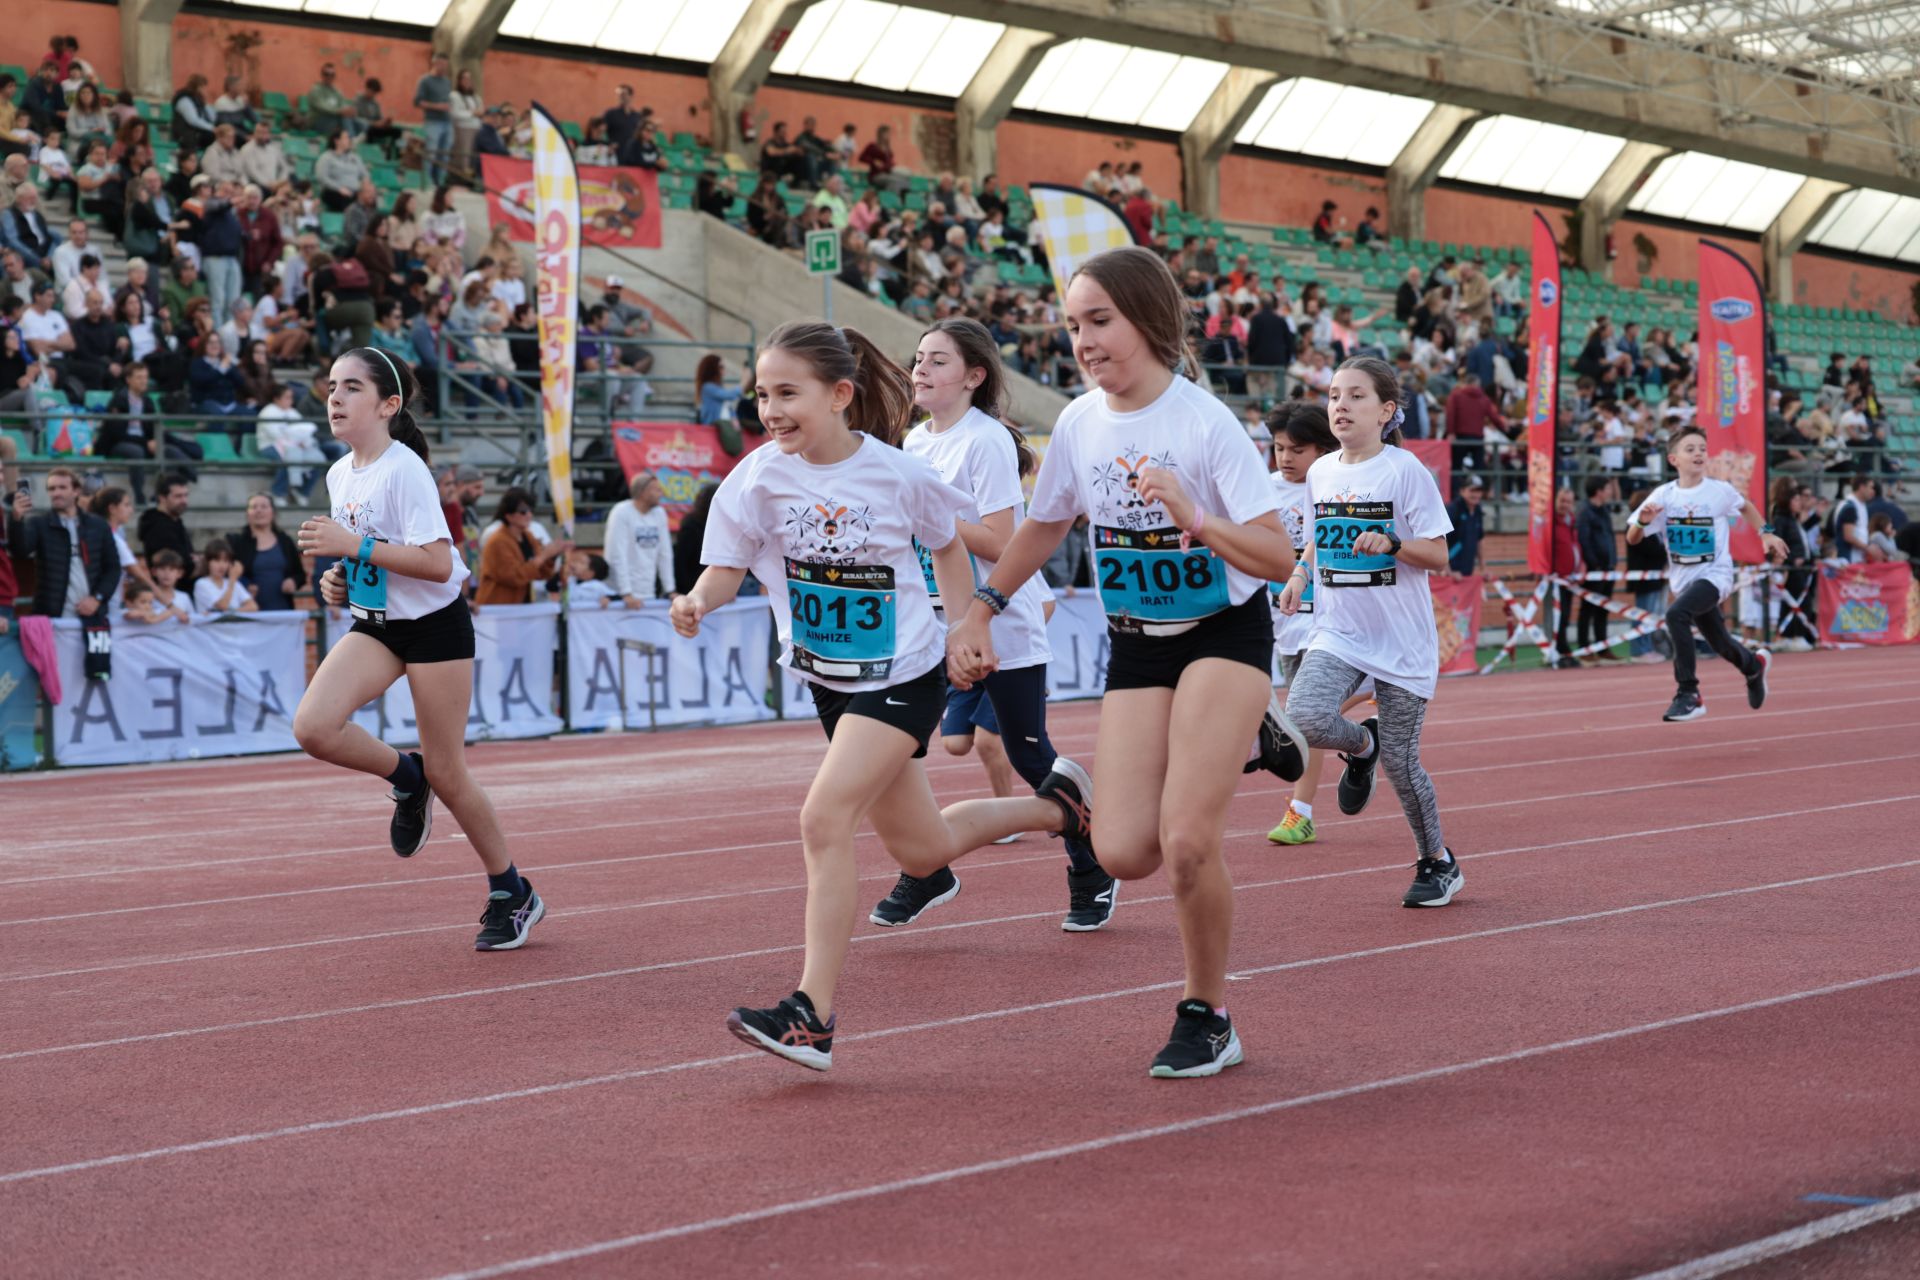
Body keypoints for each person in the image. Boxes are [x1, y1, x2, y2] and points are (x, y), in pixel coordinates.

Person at [672, 320, 1094, 1073]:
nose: (770, 409)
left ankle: (812, 1014)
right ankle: (1061, 808)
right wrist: (698, 600)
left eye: (787, 393)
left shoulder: (897, 474)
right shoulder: (757, 477)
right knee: (923, 847)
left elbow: (948, 543)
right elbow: (727, 564)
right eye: (762, 393)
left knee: (823, 817)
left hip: (904, 676)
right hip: (828, 683)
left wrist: (969, 623)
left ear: (839, 396)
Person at [947, 246, 1298, 1078]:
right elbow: (1042, 525)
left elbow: (1280, 559)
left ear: (1148, 320)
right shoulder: (1076, 423)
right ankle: (1255, 732)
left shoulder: (1203, 423)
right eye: (1073, 325)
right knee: (1123, 852)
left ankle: (1206, 1013)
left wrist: (1197, 519)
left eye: (1099, 320)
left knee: (1184, 844)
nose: (1084, 340)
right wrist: (982, 608)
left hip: (1223, 635)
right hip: (1138, 643)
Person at [292, 347, 543, 950]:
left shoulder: (404, 470)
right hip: (378, 625)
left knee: (451, 772)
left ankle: (513, 891)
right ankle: (407, 778)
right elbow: (367, 560)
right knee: (314, 727)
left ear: (388, 404)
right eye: (331, 386)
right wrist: (339, 579)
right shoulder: (339, 472)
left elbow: (437, 565)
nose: (335, 397)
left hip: (434, 628)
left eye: (351, 387)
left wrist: (353, 547)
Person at [892, 317, 1113, 925]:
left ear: (974, 376)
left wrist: (927, 514)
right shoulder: (914, 442)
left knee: (1030, 755)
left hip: (1000, 619)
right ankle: (926, 870)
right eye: (918, 358)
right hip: (935, 624)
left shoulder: (984, 440)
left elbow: (1000, 539)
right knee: (897, 748)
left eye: (937, 360)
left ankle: (1090, 867)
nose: (921, 369)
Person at [1273, 356, 1462, 907]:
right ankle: (1362, 744)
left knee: (1404, 763)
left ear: (1385, 410)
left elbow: (1441, 555)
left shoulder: (1404, 471)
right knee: (1304, 716)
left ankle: (1438, 861)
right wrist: (1299, 575)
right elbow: (1315, 535)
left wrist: (1393, 544)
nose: (1340, 406)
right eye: (1334, 396)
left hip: (1400, 638)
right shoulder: (1322, 471)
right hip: (1339, 630)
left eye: (1355, 396)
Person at [1625, 425, 1788, 723]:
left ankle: (1689, 693)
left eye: (1702, 447)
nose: (1699, 453)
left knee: (1675, 615)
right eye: (1690, 449)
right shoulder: (1663, 496)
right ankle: (1753, 666)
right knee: (1719, 642)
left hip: (1716, 575)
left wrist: (1766, 534)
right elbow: (1632, 539)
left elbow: (1746, 507)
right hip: (1683, 581)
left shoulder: (1718, 491)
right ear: (1674, 459)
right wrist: (1641, 524)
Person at [1261, 401, 1344, 848]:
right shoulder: (1262, 489)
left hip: (1327, 622)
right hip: (1279, 621)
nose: (1286, 458)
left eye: (1298, 449)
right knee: (1293, 718)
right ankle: (1362, 740)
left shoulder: (1334, 483)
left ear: (1323, 449)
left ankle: (1301, 813)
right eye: (1279, 448)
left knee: (1301, 721)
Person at [7, 467, 119, 617]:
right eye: (52, 489)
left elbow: (113, 568)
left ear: (76, 491)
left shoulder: (98, 525)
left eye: (62, 487)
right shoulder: (39, 523)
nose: (56, 493)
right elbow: (20, 551)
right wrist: (16, 519)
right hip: (52, 618)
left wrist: (97, 598)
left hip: (92, 617)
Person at [476, 487, 569, 605]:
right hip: (498, 607)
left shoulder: (528, 536)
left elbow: (541, 573)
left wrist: (552, 556)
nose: (529, 515)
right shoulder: (497, 541)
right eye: (523, 511)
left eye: (531, 510)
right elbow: (513, 576)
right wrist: (542, 557)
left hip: (519, 605)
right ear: (508, 515)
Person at [604, 469, 675, 605]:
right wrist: (626, 592)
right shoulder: (621, 512)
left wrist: (669, 589)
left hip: (648, 592)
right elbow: (617, 554)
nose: (661, 494)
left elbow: (665, 554)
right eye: (656, 490)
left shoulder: (659, 513)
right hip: (621, 595)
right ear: (643, 492)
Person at [1766, 476, 1818, 651]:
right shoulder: (1781, 519)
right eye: (1795, 499)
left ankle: (1797, 635)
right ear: (1787, 501)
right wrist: (1790, 559)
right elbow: (1777, 543)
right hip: (1792, 568)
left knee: (1801, 602)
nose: (1799, 503)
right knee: (1794, 602)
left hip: (1802, 568)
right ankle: (1791, 635)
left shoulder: (1794, 520)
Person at [233, 492, 306, 611]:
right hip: (250, 612)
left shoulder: (285, 541)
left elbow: (300, 574)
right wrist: (245, 585)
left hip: (283, 611)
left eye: (264, 506)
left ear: (273, 512)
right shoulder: (238, 543)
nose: (259, 510)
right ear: (247, 513)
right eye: (254, 507)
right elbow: (229, 575)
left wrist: (293, 581)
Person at [1576, 476, 1620, 660]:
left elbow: (1608, 537)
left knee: (1603, 608)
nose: (1610, 492)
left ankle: (1602, 646)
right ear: (1598, 491)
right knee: (1588, 609)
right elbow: (1584, 541)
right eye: (1608, 488)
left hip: (1608, 567)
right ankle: (1584, 647)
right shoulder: (1586, 512)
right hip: (1596, 570)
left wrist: (1612, 561)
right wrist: (1595, 564)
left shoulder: (1604, 510)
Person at [414, 52, 454, 189]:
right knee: (431, 153)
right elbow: (418, 102)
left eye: (445, 65)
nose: (443, 67)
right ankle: (428, 182)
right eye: (441, 64)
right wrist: (437, 106)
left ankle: (440, 182)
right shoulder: (425, 81)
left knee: (444, 154)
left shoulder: (447, 82)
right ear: (434, 63)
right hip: (432, 122)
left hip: (447, 122)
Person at [193, 536, 259, 615]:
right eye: (217, 560)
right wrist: (232, 580)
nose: (222, 565)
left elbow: (253, 607)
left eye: (225, 561)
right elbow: (222, 605)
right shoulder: (202, 584)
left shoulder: (233, 582)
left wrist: (231, 612)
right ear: (208, 562)